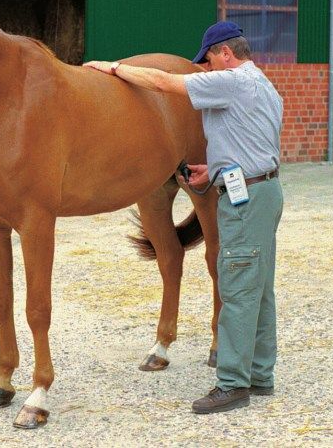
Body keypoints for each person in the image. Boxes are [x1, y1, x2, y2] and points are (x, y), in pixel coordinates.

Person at [83, 21, 284, 414]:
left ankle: (231, 385)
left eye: (207, 61)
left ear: (225, 54)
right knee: (259, 287)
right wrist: (217, 170)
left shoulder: (230, 81)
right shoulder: (264, 86)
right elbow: (255, 140)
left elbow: (162, 82)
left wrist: (114, 68)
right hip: (264, 189)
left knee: (237, 286)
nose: (205, 70)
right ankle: (261, 375)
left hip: (245, 199)